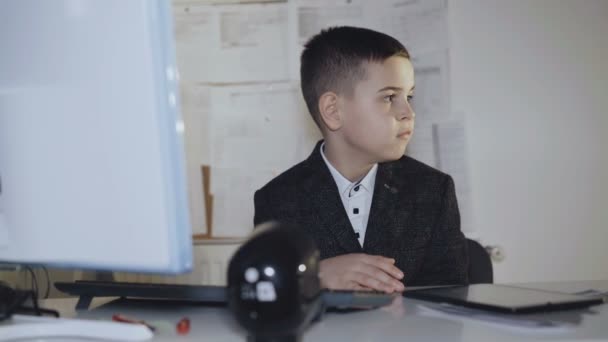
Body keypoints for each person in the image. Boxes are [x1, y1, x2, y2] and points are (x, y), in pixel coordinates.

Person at [254, 26, 468, 293]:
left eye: (409, 96)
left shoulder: (433, 190)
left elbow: (454, 297)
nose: (408, 112)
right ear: (333, 111)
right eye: (390, 97)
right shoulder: (277, 200)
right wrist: (312, 275)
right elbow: (266, 295)